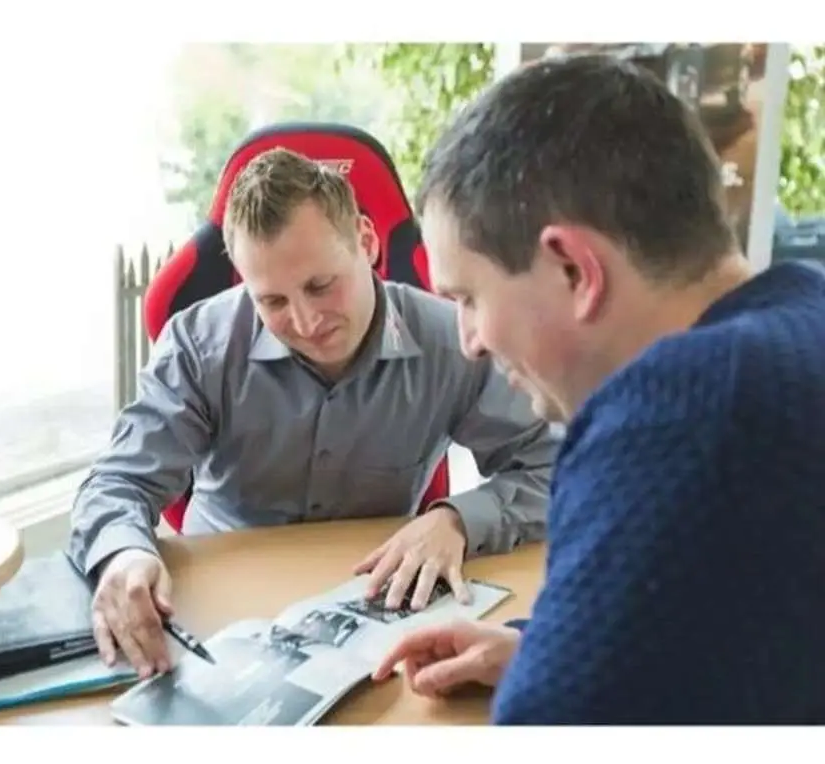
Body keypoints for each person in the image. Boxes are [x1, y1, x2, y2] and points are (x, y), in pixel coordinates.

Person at [372, 53, 825, 724]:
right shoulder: (803, 311)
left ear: (574, 270)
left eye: (468, 298)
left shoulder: (680, 413)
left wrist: (556, 677)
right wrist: (548, 650)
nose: (469, 340)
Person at [68, 147, 560, 680]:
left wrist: (457, 519)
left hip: (375, 607)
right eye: (272, 302)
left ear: (366, 243)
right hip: (217, 613)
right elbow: (116, 483)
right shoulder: (199, 345)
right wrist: (122, 556)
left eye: (321, 286)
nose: (305, 322)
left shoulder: (451, 340)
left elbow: (556, 467)